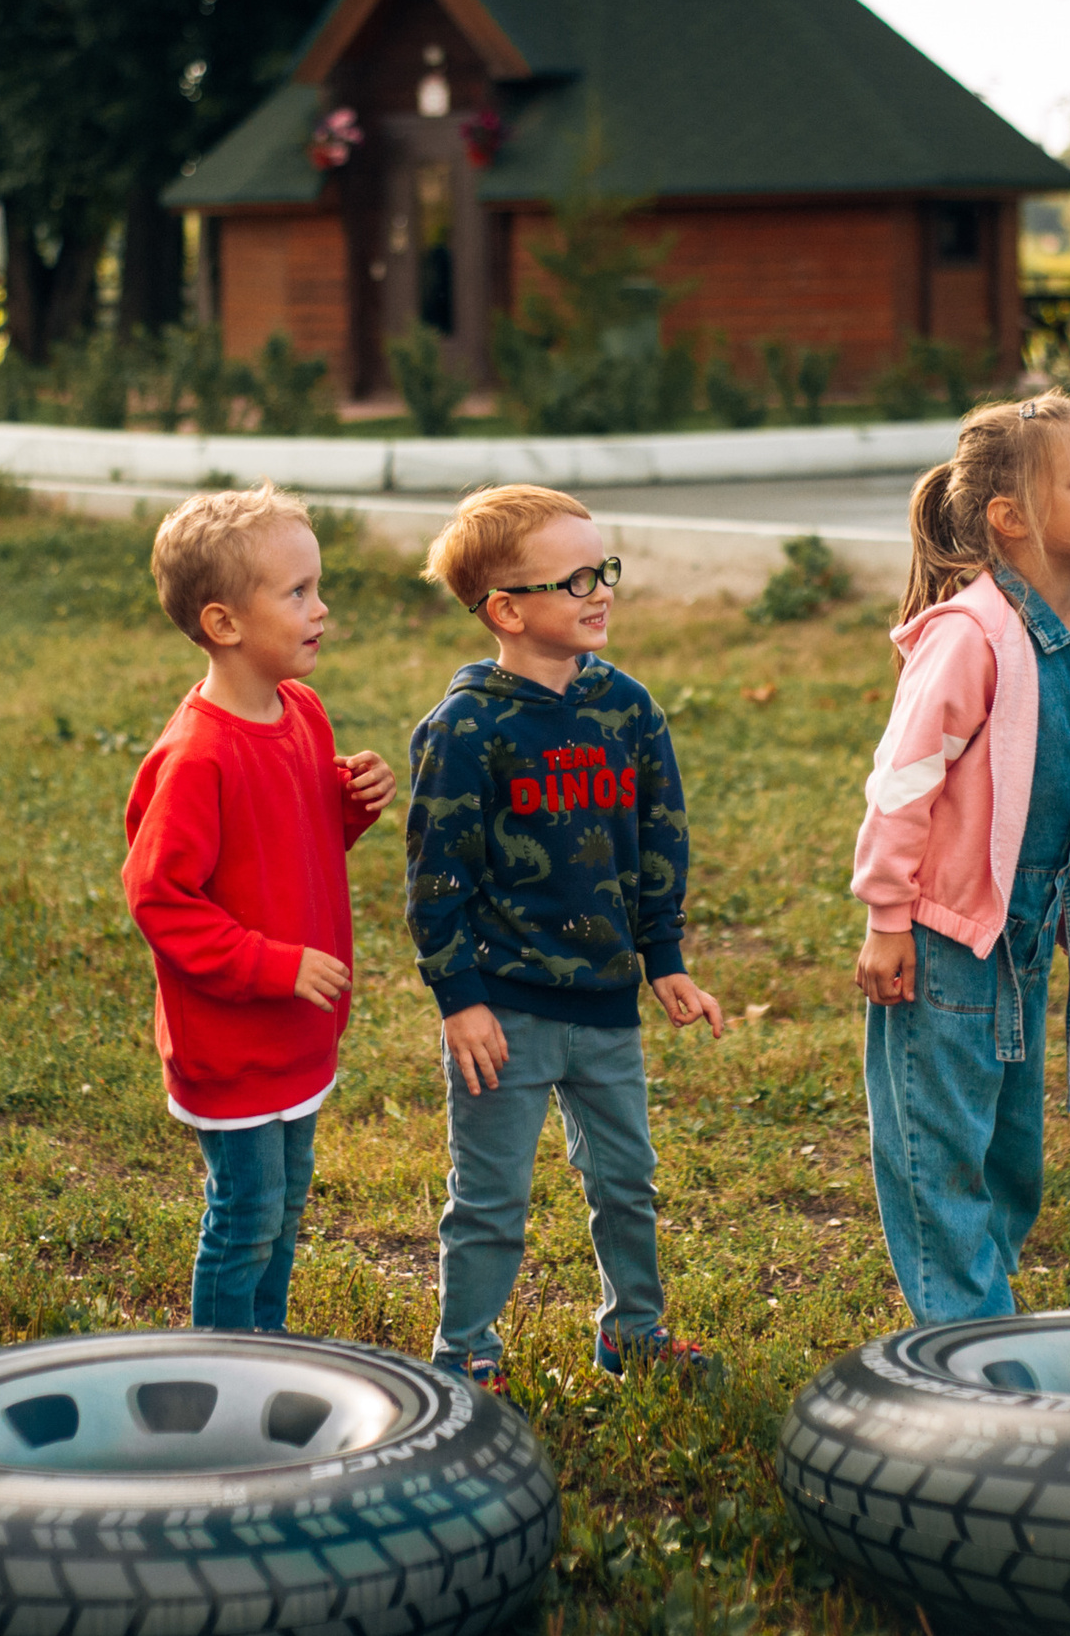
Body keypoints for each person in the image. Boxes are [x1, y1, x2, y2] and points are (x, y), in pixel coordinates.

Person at [405, 484, 724, 1392]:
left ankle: (634, 1331)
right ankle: (465, 1356)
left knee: (627, 1182)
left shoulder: (627, 708)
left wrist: (663, 958)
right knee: (491, 1198)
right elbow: (437, 875)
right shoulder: (468, 726)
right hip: (503, 1011)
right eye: (576, 577)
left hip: (605, 1006)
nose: (600, 589)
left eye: (604, 569)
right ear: (506, 609)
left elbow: (661, 833)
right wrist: (458, 997)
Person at [851, 389, 1070, 1325]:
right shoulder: (970, 636)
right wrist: (887, 919)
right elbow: (902, 782)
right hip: (944, 936)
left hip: (1027, 927)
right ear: (1010, 518)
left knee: (1012, 1147)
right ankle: (965, 1343)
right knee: (939, 1147)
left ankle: (981, 1295)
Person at [122, 486, 396, 1333]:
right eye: (299, 592)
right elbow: (160, 896)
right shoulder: (199, 756)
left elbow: (294, 844)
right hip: (234, 1042)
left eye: (318, 587)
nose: (322, 609)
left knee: (282, 1216)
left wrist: (351, 804)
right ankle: (221, 1378)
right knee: (245, 1221)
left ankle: (267, 1355)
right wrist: (272, 965)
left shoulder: (302, 712)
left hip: (298, 1033)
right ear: (224, 623)